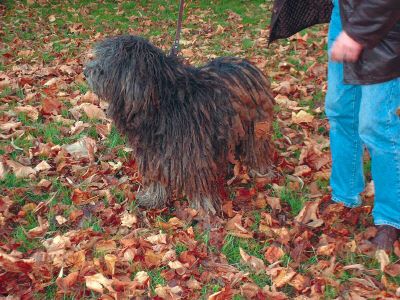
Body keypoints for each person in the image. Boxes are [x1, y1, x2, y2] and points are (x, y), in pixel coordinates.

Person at [325, 0, 400, 250]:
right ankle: (345, 194)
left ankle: (391, 217)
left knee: (377, 124)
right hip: (344, 11)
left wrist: (356, 34)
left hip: (388, 20)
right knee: (340, 111)